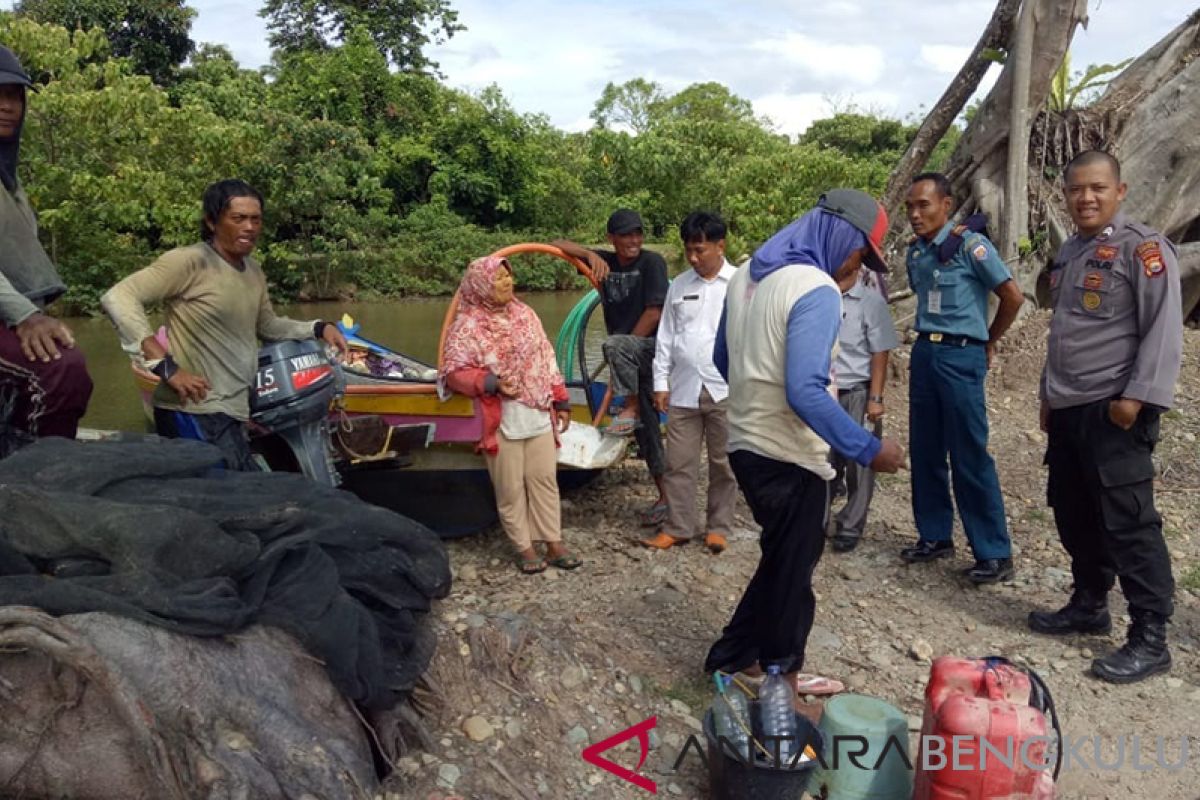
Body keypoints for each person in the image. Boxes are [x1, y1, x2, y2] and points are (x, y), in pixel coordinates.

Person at [703, 189, 906, 696]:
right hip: (790, 455)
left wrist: (756, 393)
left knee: (782, 558)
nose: (859, 265)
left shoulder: (747, 274)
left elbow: (724, 361)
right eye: (862, 252)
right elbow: (805, 391)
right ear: (844, 235)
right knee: (794, 576)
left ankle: (732, 657)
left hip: (745, 445)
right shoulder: (814, 287)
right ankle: (783, 681)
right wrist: (868, 449)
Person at [1030, 150, 1182, 684]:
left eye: (1097, 188)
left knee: (1129, 521)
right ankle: (1089, 602)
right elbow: (1065, 330)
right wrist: (1048, 395)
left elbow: (1163, 330)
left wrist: (1136, 398)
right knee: (1074, 511)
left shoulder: (1143, 249)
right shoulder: (1072, 250)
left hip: (1114, 408)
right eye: (1076, 189)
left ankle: (1150, 636)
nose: (1086, 198)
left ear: (1120, 190)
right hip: (1070, 408)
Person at [101, 179, 348, 470]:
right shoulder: (190, 261)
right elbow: (118, 296)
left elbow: (267, 325)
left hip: (234, 412)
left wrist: (319, 328)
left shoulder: (253, 271)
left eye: (256, 219)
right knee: (232, 501)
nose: (249, 227)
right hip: (193, 411)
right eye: (238, 218)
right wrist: (162, 363)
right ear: (211, 221)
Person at [901, 172, 1024, 583]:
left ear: (946, 205)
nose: (916, 214)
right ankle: (935, 536)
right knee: (925, 449)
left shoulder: (972, 245)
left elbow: (1012, 296)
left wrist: (989, 340)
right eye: (910, 207)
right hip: (925, 353)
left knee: (969, 452)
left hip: (960, 355)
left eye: (924, 205)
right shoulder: (917, 254)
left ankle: (993, 552)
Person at [440, 256, 581, 574]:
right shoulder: (468, 326)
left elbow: (546, 357)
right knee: (510, 486)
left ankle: (553, 542)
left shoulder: (525, 314)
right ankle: (524, 548)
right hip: (500, 416)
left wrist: (561, 399)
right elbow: (453, 372)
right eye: (497, 278)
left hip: (537, 410)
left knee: (544, 479)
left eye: (508, 277)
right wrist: (490, 382)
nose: (505, 283)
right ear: (480, 285)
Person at [0, 46, 92, 450]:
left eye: (15, 96)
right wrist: (25, 317)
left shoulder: (10, 181)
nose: (8, 106)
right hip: (11, 314)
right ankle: (44, 484)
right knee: (60, 370)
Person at [552, 210, 670, 527]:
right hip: (626, 356)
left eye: (638, 234)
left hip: (651, 350)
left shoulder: (652, 263)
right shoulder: (605, 263)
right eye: (626, 235)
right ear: (611, 239)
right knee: (648, 431)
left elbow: (656, 312)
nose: (634, 240)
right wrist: (589, 254)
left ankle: (628, 407)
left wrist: (625, 347)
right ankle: (666, 499)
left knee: (617, 347)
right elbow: (556, 244)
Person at [642, 211, 738, 554]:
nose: (694, 258)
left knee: (723, 462)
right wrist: (660, 382)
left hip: (725, 388)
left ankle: (718, 527)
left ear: (720, 246)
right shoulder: (679, 286)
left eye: (701, 250)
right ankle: (678, 526)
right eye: (689, 251)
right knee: (678, 461)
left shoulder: (741, 284)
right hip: (682, 388)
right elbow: (666, 336)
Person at [828, 268, 899, 552]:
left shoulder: (871, 301)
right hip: (824, 391)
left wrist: (876, 397)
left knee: (861, 463)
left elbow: (880, 352)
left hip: (857, 389)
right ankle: (818, 519)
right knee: (823, 461)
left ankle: (850, 525)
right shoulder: (820, 293)